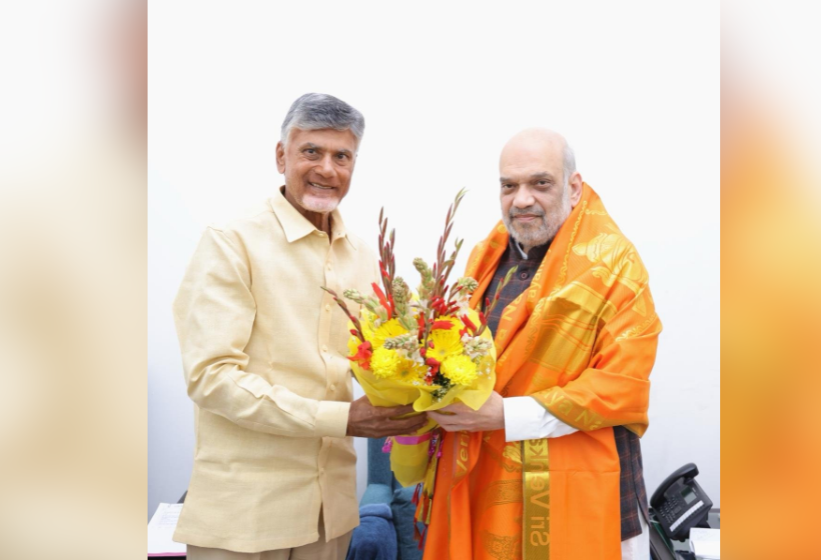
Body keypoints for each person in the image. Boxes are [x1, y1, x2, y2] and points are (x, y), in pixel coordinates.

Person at [172, 93, 428, 560]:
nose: (327, 169)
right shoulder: (232, 242)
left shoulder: (365, 258)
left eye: (341, 156)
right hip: (244, 520)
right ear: (281, 156)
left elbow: (386, 361)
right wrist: (343, 418)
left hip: (331, 520)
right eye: (312, 151)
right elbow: (211, 378)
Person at [426, 128, 661, 560]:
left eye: (540, 183)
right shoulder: (485, 257)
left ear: (573, 187)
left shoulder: (615, 268)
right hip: (488, 483)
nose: (522, 200)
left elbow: (621, 386)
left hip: (588, 490)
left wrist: (506, 415)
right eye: (509, 185)